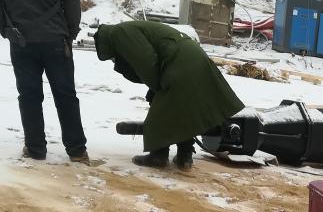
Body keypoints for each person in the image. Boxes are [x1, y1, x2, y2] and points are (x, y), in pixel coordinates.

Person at [94, 20, 244, 170]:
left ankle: (158, 156)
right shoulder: (129, 28)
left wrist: (156, 89)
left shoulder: (119, 33)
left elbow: (145, 61)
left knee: (161, 108)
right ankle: (185, 156)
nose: (112, 59)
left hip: (179, 59)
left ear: (105, 45)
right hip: (193, 56)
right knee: (185, 105)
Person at [0, 0, 91, 163]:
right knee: (65, 95)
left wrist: (6, 30)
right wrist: (69, 34)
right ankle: (77, 151)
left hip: (20, 40)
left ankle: (35, 149)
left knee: (28, 95)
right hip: (54, 39)